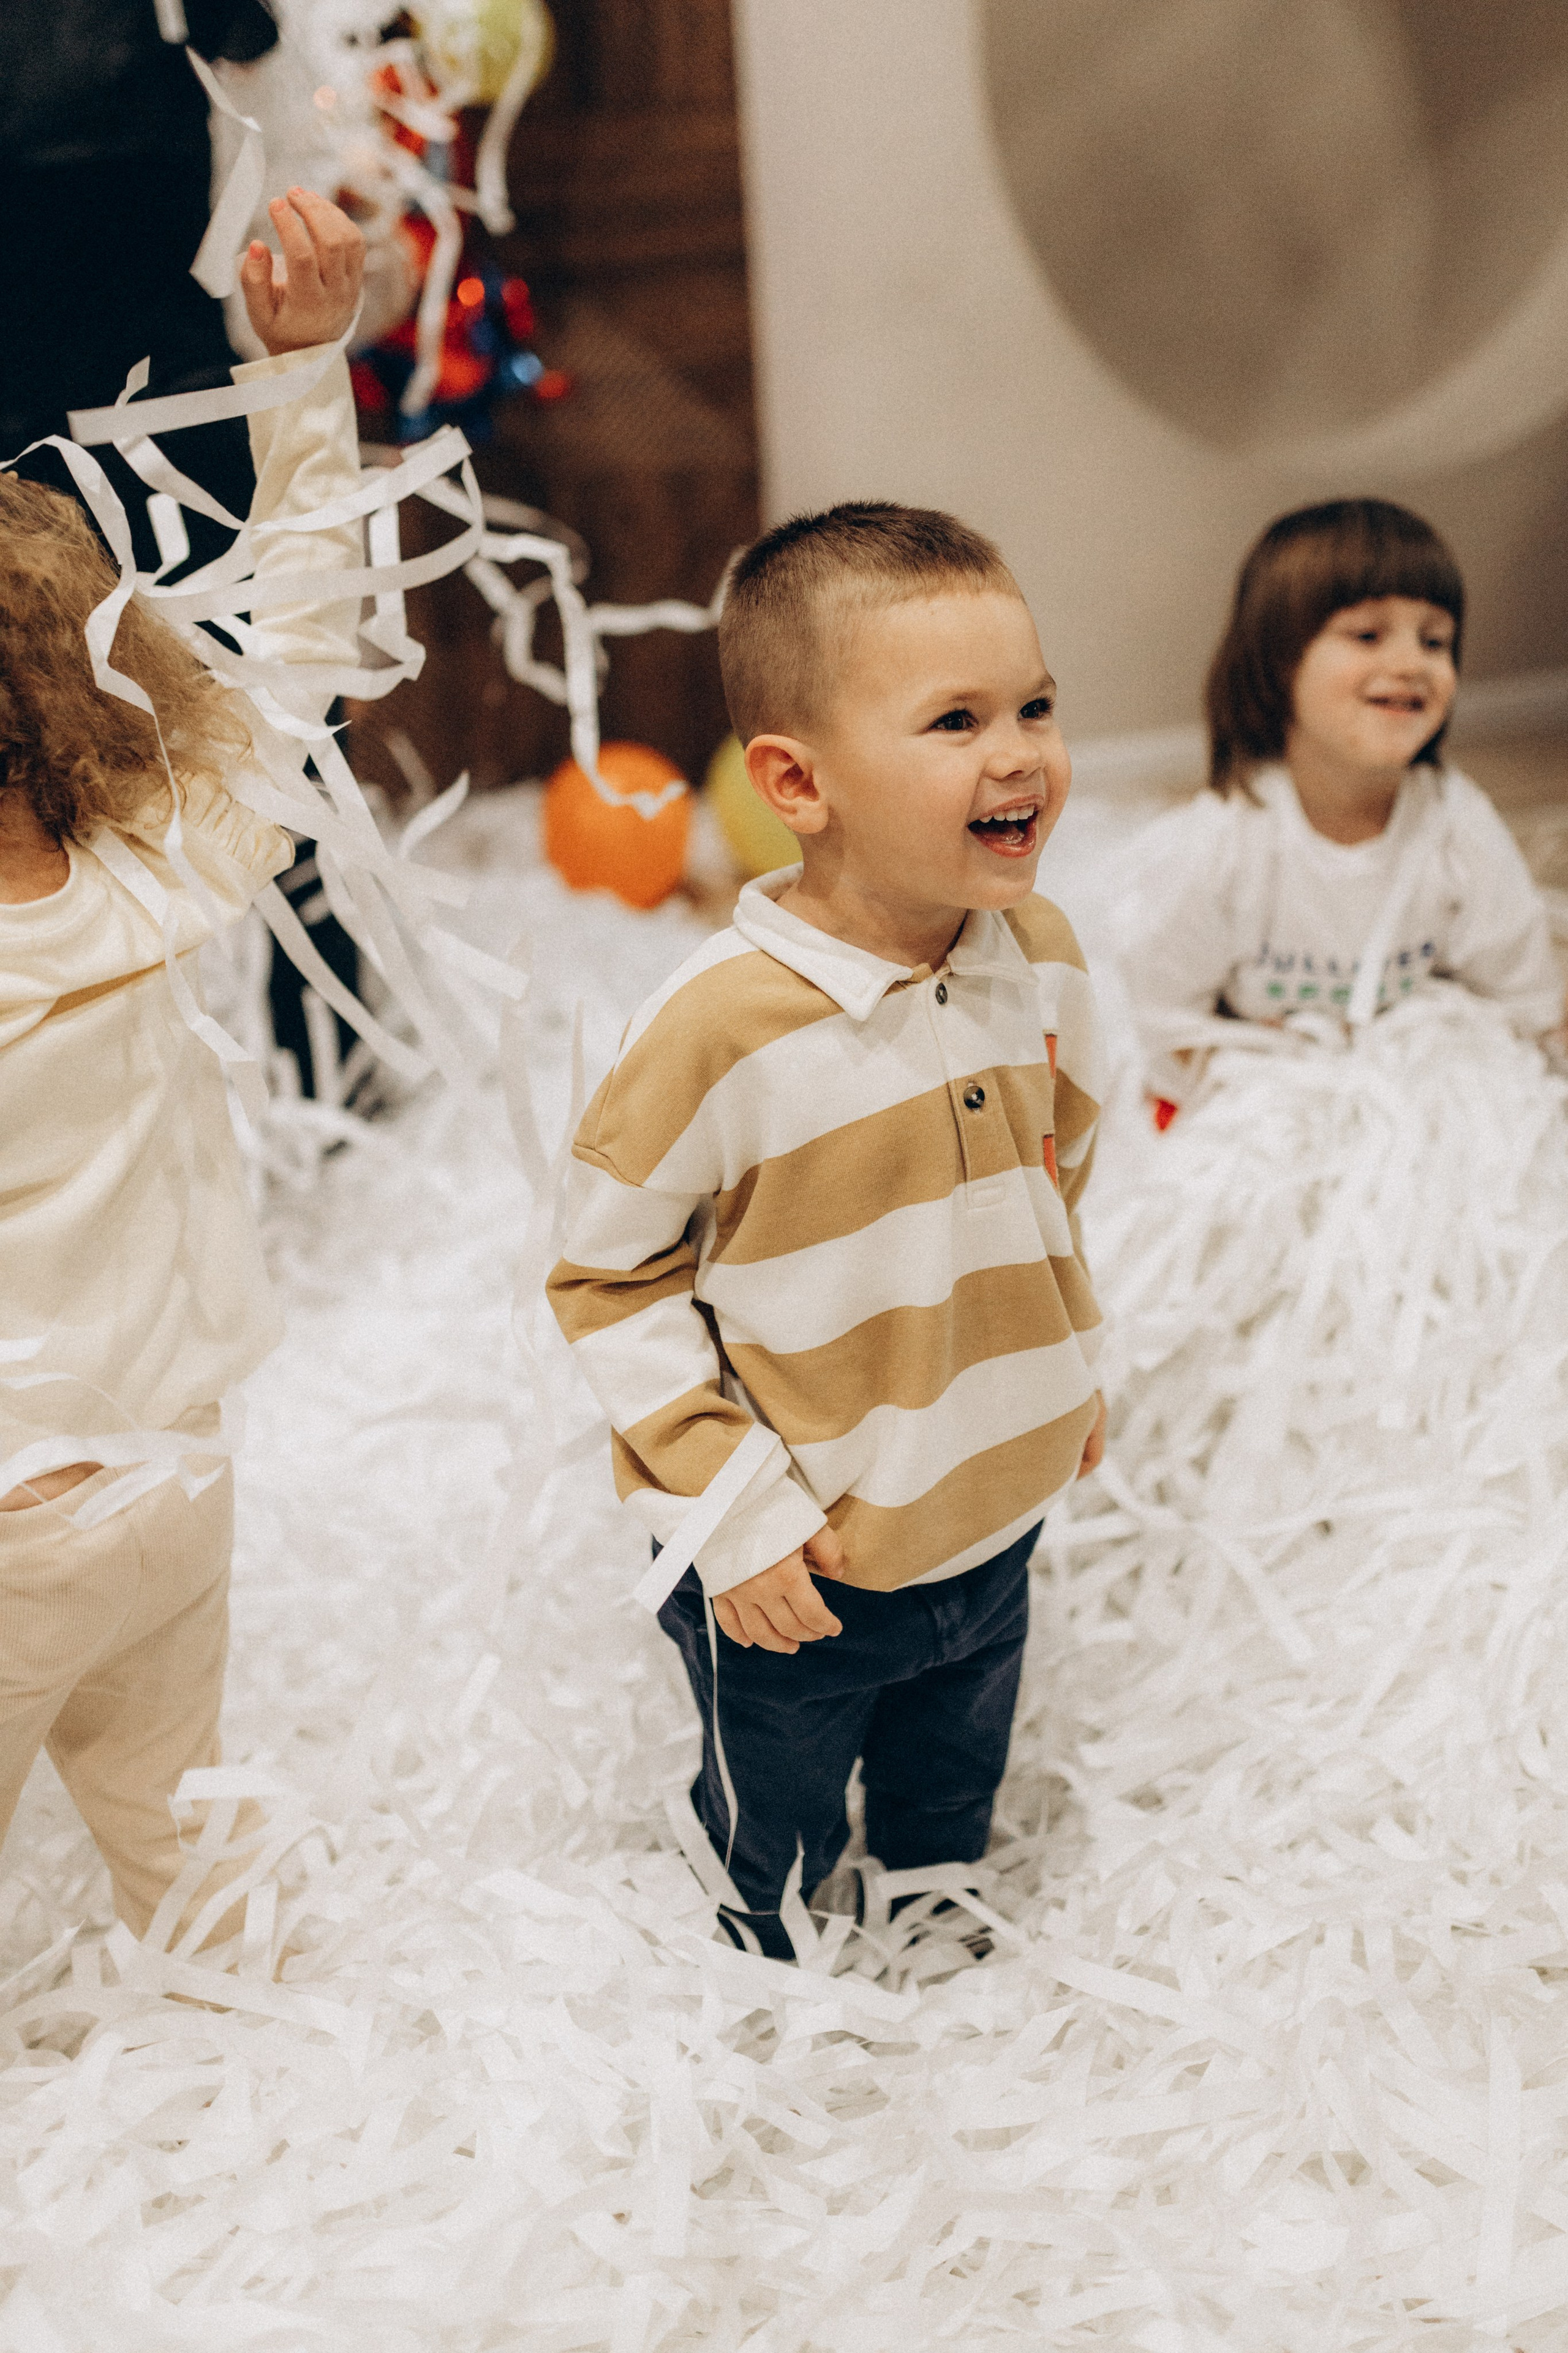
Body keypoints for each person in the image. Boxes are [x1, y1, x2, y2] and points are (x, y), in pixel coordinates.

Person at [547, 504, 1107, 1961]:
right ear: (797, 782)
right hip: (802, 1563)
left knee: (949, 1780)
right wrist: (728, 1513)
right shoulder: (717, 1028)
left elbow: (1053, 1168)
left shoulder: (1040, 955)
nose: (1017, 754)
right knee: (776, 1821)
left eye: (1033, 706)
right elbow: (605, 1276)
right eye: (954, 720)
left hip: (988, 1517)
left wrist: (1065, 1357)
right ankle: (772, 1961)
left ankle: (933, 1921)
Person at [0, 188, 365, 1947]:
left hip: (14, 1524)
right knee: (179, 1835)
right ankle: (255, 2032)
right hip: (176, 1482)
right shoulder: (158, 872)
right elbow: (303, 657)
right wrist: (302, 381)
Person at [1118, 498, 1564, 1111]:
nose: (1410, 664)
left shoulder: (1456, 828)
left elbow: (1527, 1003)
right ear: (1278, 664)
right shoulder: (1222, 842)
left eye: (1434, 641)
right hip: (1269, 1092)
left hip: (1408, 1083)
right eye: (1367, 635)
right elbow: (1168, 1023)